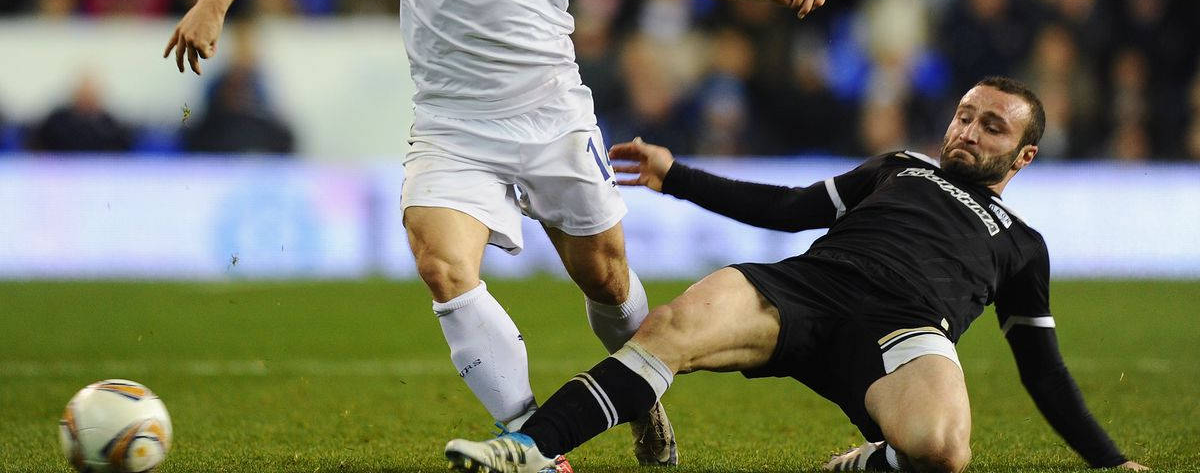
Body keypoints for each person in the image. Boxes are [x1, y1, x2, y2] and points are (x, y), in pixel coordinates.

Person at [163, 0, 827, 472]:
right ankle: (533, 442)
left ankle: (643, 399)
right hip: (452, 124)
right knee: (442, 266)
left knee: (606, 277)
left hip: (552, 117)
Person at [444, 77, 1149, 473]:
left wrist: (1110, 465)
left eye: (992, 126)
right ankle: (530, 449)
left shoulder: (1022, 244)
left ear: (1023, 157)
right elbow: (788, 209)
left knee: (941, 452)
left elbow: (1043, 370)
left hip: (905, 331)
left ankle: (868, 464)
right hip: (803, 290)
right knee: (671, 327)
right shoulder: (899, 168)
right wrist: (676, 174)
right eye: (964, 116)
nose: (967, 132)